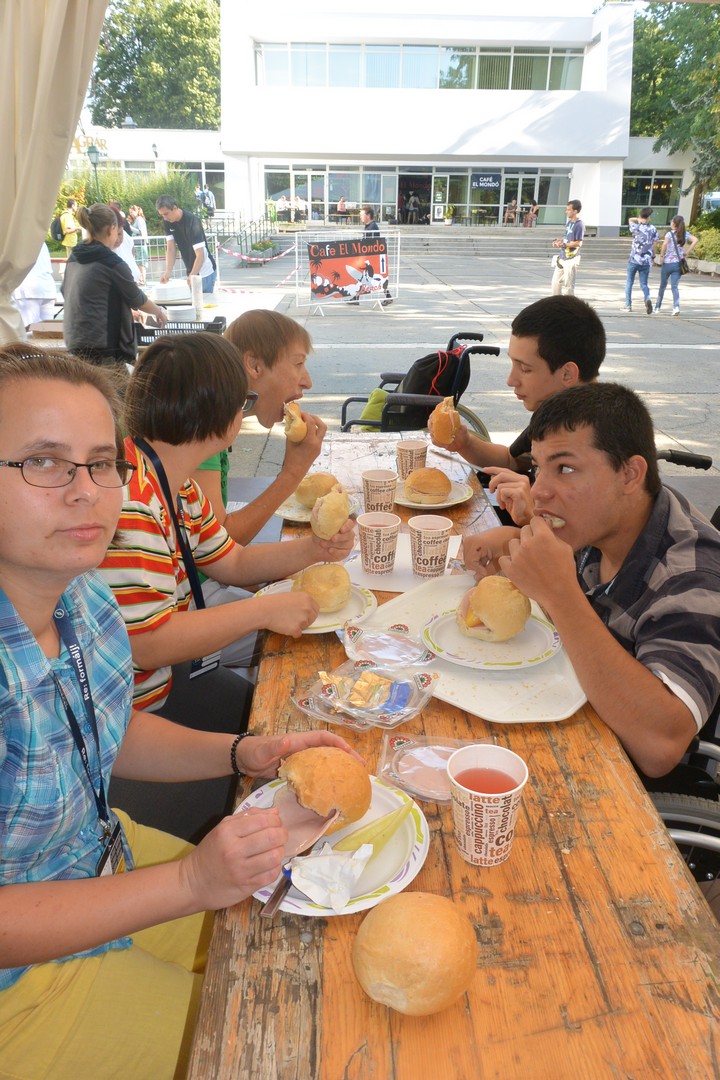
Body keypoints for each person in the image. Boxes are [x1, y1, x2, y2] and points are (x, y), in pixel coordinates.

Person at [0, 345, 358, 1079]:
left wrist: (239, 753)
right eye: (43, 462)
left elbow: (108, 730)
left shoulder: (82, 596)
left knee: (301, 944)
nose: (87, 491)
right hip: (22, 986)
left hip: (102, 855)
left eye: (102, 463)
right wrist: (192, 882)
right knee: (279, 1044)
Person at [462, 382, 720, 781]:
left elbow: (661, 745)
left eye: (565, 468)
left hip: (614, 776)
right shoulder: (604, 517)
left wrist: (560, 595)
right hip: (560, 706)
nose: (539, 491)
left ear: (630, 474)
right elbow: (560, 564)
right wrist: (510, 539)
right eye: (538, 468)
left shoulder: (692, 576)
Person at [99, 331, 354, 719]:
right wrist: (262, 611)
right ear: (218, 412)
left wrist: (316, 548)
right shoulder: (133, 503)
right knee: (292, 709)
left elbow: (232, 562)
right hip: (134, 708)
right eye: (243, 402)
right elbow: (149, 644)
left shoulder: (176, 483)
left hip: (172, 674)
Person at [430, 296, 605, 524]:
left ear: (567, 374)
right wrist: (465, 443)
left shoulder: (597, 442)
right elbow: (512, 461)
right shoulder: (554, 412)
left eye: (525, 368)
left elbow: (584, 538)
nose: (510, 380)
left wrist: (533, 515)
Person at [62, 203, 167, 368]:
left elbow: (70, 291)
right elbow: (137, 298)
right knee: (118, 384)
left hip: (75, 340)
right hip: (103, 346)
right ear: (112, 228)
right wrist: (158, 312)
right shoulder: (111, 263)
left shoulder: (74, 257)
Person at [156, 195, 216, 294]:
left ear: (175, 208)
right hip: (192, 271)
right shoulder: (167, 222)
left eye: (166, 214)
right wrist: (168, 271)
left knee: (203, 303)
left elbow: (200, 255)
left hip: (205, 273)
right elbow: (170, 249)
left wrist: (192, 275)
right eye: (162, 215)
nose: (165, 218)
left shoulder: (193, 221)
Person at [655, 215, 699, 317]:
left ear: (674, 223)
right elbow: (695, 240)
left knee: (662, 285)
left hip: (667, 263)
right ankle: (676, 307)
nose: (671, 223)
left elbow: (664, 244)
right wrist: (687, 252)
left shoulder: (669, 234)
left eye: (671, 221)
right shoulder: (684, 234)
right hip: (678, 264)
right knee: (674, 287)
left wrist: (661, 256)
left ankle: (657, 307)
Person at [11, 242, 56, 328]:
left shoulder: (17, 242)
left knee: (30, 329)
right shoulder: (40, 241)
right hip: (47, 287)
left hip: (27, 288)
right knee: (48, 330)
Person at [624, 207, 658, 314]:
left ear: (640, 216)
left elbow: (630, 219)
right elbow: (654, 244)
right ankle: (647, 298)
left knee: (629, 282)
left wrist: (638, 219)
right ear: (649, 217)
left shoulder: (636, 227)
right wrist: (653, 256)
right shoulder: (653, 229)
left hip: (634, 259)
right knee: (644, 283)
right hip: (646, 260)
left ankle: (628, 305)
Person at [551, 199, 585, 296]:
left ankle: (569, 304)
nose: (566, 212)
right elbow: (567, 239)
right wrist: (559, 242)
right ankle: (556, 303)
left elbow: (579, 243)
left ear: (575, 211)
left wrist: (564, 244)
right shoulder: (569, 223)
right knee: (555, 284)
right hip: (562, 257)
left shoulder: (579, 224)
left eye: (569, 210)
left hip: (571, 258)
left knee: (568, 286)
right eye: (566, 209)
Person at [359, 207, 392, 305]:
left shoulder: (372, 227)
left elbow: (372, 243)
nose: (360, 217)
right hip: (369, 256)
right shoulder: (368, 226)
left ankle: (388, 296)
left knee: (378, 278)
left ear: (368, 215)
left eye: (362, 215)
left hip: (373, 257)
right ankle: (355, 297)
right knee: (363, 276)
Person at [127, 205, 149, 286]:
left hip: (141, 243)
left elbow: (140, 231)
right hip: (137, 243)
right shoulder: (136, 220)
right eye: (130, 212)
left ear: (136, 211)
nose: (131, 214)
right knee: (139, 261)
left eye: (132, 212)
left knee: (141, 262)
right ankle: (141, 279)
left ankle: (143, 279)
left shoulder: (139, 219)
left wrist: (130, 227)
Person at [59, 198, 81, 262]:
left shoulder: (65, 215)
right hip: (70, 242)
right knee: (72, 261)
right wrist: (78, 228)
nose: (77, 207)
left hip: (70, 241)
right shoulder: (67, 216)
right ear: (72, 205)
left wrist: (76, 228)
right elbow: (67, 230)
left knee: (72, 261)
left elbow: (70, 228)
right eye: (76, 205)